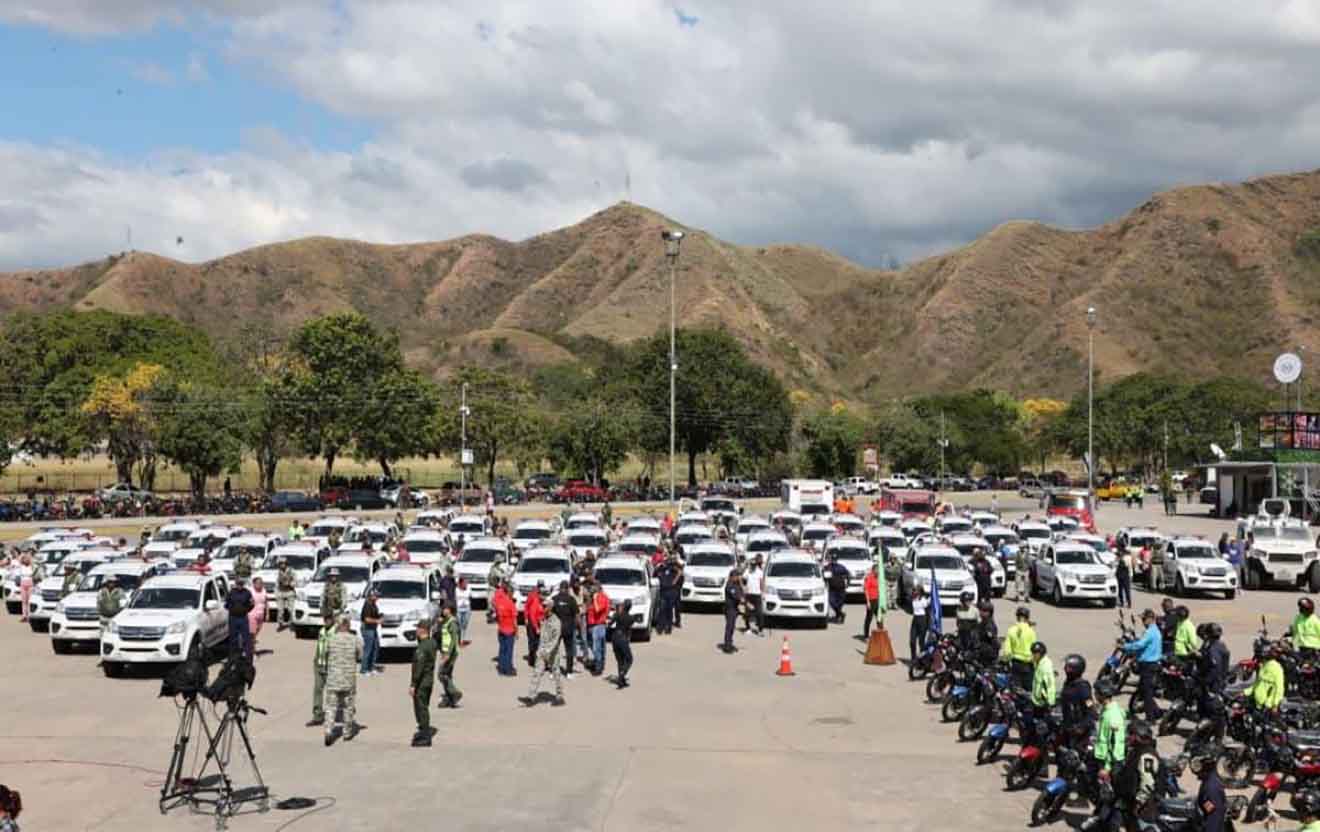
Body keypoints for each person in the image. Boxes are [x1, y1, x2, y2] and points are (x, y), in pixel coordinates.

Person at [323, 615, 362, 745]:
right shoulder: (355, 639)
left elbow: (325, 653)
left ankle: (328, 730)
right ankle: (347, 732)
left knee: (331, 707)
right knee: (348, 707)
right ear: (348, 625)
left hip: (333, 678)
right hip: (348, 678)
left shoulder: (331, 639)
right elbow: (360, 655)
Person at [520, 597, 565, 707]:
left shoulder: (556, 621)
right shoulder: (544, 619)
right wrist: (539, 650)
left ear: (550, 607)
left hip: (552, 652)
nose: (543, 607)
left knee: (556, 673)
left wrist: (548, 650)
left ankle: (560, 696)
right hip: (542, 650)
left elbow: (556, 639)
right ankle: (531, 696)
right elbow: (542, 636)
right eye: (543, 605)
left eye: (545, 606)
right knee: (537, 672)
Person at [1123, 608, 1164, 720]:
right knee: (1143, 689)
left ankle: (1150, 718)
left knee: (1147, 693)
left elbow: (1139, 645)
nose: (1142, 621)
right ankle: (1157, 711)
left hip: (1148, 665)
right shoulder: (1153, 630)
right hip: (1150, 664)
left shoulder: (1150, 632)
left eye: (1144, 619)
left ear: (1151, 619)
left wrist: (1125, 646)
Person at [410, 618, 436, 746]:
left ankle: (425, 735)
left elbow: (419, 667)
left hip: (422, 682)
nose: (416, 630)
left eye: (417, 628)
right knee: (423, 706)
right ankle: (424, 730)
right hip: (428, 680)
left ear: (422, 630)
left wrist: (413, 684)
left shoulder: (422, 647)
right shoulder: (432, 643)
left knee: (421, 708)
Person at [1059, 653, 1095, 748]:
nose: (1065, 669)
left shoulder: (1082, 687)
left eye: (1068, 667)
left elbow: (1091, 710)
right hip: (1067, 726)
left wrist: (1081, 727)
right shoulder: (1068, 683)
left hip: (1078, 732)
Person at [1198, 623, 1230, 718]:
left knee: (1210, 706)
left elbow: (1214, 668)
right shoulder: (1221, 645)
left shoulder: (1213, 649)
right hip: (1220, 679)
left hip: (1214, 682)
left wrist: (1205, 681)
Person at [1001, 606, 1037, 690]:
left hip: (1016, 664)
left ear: (1017, 617)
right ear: (1027, 617)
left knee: (1016, 690)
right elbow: (1035, 649)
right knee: (1028, 690)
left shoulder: (1011, 630)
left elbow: (1007, 651)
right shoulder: (1031, 631)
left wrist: (1005, 661)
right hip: (1028, 665)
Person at [307, 620, 334, 727]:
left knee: (332, 693)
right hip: (319, 665)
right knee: (317, 690)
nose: (326, 621)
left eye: (328, 618)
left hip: (330, 666)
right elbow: (319, 646)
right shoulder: (322, 631)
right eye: (325, 618)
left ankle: (331, 716)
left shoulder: (335, 632)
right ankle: (317, 716)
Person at [436, 603, 463, 708]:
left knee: (442, 674)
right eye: (443, 609)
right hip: (445, 651)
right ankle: (450, 698)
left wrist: (447, 654)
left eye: (445, 609)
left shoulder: (452, 622)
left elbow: (454, 640)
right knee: (447, 675)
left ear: (450, 610)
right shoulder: (446, 621)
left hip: (450, 653)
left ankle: (454, 693)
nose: (443, 611)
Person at [1249, 643, 1286, 713]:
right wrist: (1245, 692)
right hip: (1258, 704)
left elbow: (1279, 688)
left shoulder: (1276, 668)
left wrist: (1275, 704)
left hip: (1268, 706)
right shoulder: (1264, 666)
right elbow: (1258, 684)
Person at [224, 575, 255, 659]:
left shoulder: (247, 592)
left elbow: (252, 604)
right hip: (233, 618)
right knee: (233, 638)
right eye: (238, 584)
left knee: (246, 638)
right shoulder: (231, 592)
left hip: (243, 618)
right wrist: (232, 610)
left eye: (241, 584)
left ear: (243, 584)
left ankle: (248, 656)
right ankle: (233, 656)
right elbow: (226, 604)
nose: (239, 586)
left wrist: (245, 610)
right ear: (235, 583)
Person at [609, 599, 636, 689]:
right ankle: (622, 674)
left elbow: (610, 624)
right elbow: (629, 630)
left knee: (620, 660)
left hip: (615, 637)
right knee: (629, 659)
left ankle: (621, 681)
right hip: (623, 639)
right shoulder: (631, 618)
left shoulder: (618, 614)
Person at [493, 582, 518, 676]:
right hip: (509, 630)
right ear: (510, 593)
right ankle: (508, 670)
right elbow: (514, 620)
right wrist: (517, 631)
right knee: (509, 651)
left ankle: (501, 668)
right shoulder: (511, 604)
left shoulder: (500, 602)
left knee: (502, 649)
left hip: (501, 629)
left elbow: (497, 612)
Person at [586, 580, 611, 675]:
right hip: (592, 625)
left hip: (598, 625)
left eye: (593, 587)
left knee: (597, 647)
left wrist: (595, 598)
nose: (591, 589)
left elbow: (597, 609)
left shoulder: (601, 597)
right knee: (597, 646)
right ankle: (599, 663)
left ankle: (598, 667)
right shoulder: (593, 598)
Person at [360, 587, 383, 676]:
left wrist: (380, 616)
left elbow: (374, 615)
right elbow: (366, 619)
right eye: (376, 596)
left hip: (373, 629)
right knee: (368, 649)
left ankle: (371, 667)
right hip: (367, 629)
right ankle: (364, 669)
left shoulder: (374, 605)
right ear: (371, 596)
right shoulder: (367, 605)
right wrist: (377, 621)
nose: (378, 598)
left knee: (375, 647)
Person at [655, 555, 680, 635]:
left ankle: (668, 628)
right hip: (663, 591)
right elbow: (655, 573)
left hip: (671, 591)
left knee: (669, 610)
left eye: (667, 561)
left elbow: (680, 572)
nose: (665, 562)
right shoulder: (661, 568)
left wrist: (674, 581)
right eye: (665, 561)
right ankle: (660, 628)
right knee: (662, 610)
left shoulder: (672, 567)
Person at [722, 571, 744, 654]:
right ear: (732, 577)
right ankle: (727, 646)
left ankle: (730, 643)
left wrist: (741, 583)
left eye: (738, 576)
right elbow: (737, 596)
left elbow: (742, 592)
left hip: (734, 608)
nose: (738, 578)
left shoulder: (736, 584)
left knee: (732, 627)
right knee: (729, 627)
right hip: (729, 608)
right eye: (736, 576)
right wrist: (745, 602)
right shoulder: (729, 585)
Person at [524, 583, 546, 668]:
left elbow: (541, 614)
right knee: (533, 642)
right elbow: (532, 615)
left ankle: (535, 659)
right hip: (532, 624)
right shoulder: (534, 599)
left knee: (537, 642)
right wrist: (536, 627)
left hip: (538, 623)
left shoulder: (540, 601)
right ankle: (532, 660)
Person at [743, 555, 765, 635]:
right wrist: (744, 588)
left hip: (757, 595)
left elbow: (761, 583)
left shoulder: (760, 572)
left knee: (759, 613)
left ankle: (760, 629)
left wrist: (763, 593)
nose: (752, 566)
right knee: (747, 613)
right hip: (749, 595)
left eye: (754, 565)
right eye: (751, 565)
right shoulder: (747, 571)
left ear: (756, 565)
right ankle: (748, 628)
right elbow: (743, 579)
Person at [824, 554, 848, 624]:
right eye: (833, 559)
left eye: (835, 559)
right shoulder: (827, 567)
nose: (834, 561)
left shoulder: (841, 567)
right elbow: (824, 576)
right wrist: (825, 582)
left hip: (841, 588)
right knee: (832, 602)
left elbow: (848, 574)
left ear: (837, 560)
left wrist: (848, 583)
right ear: (831, 559)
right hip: (832, 588)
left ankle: (839, 618)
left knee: (840, 604)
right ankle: (841, 614)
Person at [247, 576, 268, 656]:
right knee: (252, 633)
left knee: (256, 633)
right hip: (252, 615)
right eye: (258, 583)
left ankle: (250, 648)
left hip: (261, 615)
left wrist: (267, 613)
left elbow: (266, 602)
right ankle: (252, 651)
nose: (260, 584)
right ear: (254, 584)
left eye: (261, 583)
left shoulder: (264, 591)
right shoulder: (250, 591)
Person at [973, 601, 999, 665]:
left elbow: (993, 641)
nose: (981, 612)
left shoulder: (989, 625)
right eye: (980, 610)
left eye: (984, 611)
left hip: (987, 656)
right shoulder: (982, 623)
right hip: (981, 653)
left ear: (989, 613)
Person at [861, 564, 883, 638]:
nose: (878, 572)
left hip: (877, 600)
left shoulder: (878, 578)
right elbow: (866, 590)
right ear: (873, 570)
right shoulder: (869, 577)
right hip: (871, 600)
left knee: (879, 617)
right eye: (877, 570)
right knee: (869, 618)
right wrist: (868, 602)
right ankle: (866, 635)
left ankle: (881, 633)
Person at [909, 585, 930, 661]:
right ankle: (913, 658)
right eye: (913, 591)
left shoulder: (924, 600)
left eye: (915, 591)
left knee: (921, 642)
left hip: (922, 620)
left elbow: (928, 613)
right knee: (912, 641)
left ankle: (922, 659)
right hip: (915, 619)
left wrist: (928, 625)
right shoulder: (912, 599)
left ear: (920, 592)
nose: (914, 592)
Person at [275, 558, 296, 631]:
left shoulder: (291, 571)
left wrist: (290, 584)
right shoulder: (279, 572)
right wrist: (276, 593)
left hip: (289, 591)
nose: (282, 565)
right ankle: (280, 623)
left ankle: (291, 623)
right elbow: (277, 583)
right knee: (280, 610)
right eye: (281, 564)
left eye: (283, 563)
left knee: (291, 610)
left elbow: (295, 581)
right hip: (281, 591)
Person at [14, 553, 36, 622]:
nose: (25, 560)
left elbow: (32, 561)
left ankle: (29, 616)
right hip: (23, 583)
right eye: (24, 559)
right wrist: (23, 555)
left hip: (30, 583)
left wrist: (29, 556)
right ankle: (24, 616)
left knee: (29, 601)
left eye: (27, 559)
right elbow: (19, 559)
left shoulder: (31, 566)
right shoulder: (21, 566)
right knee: (24, 601)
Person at [1115, 543, 1132, 609]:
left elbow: (1128, 566)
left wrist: (1120, 560)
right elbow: (1115, 566)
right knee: (1120, 590)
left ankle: (1129, 603)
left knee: (1127, 590)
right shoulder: (1118, 559)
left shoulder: (1127, 558)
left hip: (1125, 576)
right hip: (1119, 576)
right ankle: (1122, 602)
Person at [455, 577, 472, 646]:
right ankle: (460, 640)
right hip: (458, 609)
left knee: (465, 625)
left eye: (466, 583)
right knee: (459, 625)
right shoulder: (456, 590)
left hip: (467, 609)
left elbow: (470, 597)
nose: (466, 584)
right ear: (460, 583)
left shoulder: (469, 589)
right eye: (464, 583)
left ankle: (463, 639)